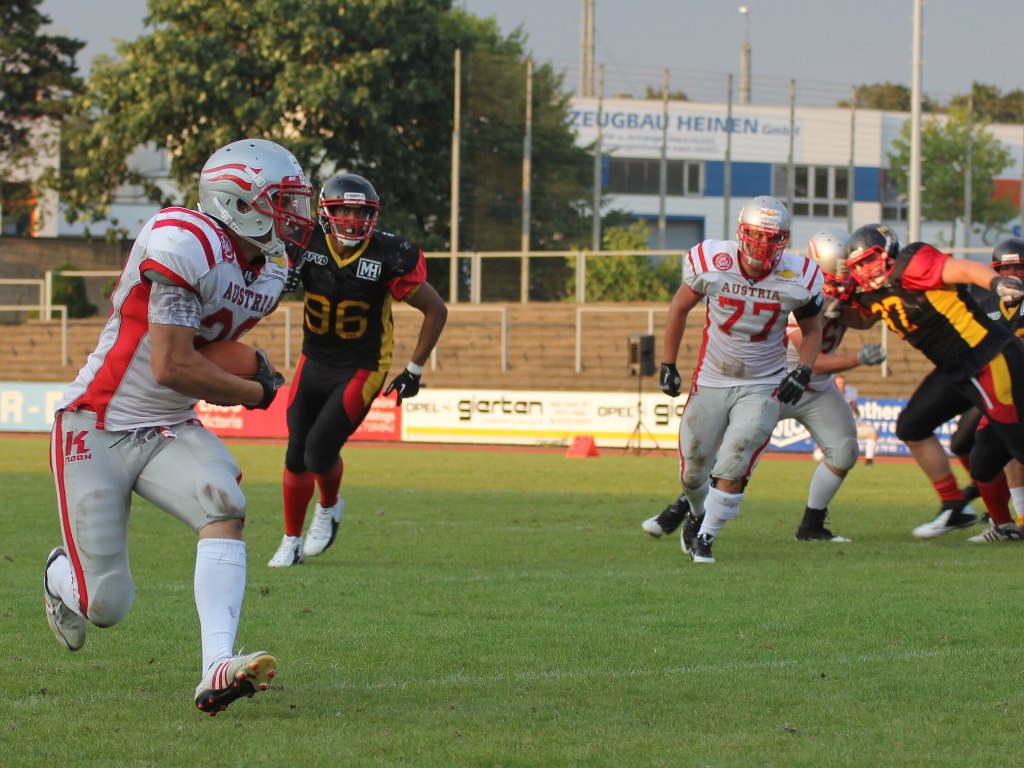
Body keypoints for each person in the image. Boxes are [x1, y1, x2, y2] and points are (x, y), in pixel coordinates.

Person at [42, 139, 317, 715]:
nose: (295, 216)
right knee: (106, 605)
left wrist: (249, 366)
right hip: (97, 423)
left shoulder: (271, 270)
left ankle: (217, 665)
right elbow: (172, 366)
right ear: (237, 201)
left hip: (168, 425)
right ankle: (59, 574)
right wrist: (256, 390)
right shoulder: (186, 240)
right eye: (283, 201)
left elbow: (208, 348)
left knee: (224, 499)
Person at [643, 227, 882, 545]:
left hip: (817, 389)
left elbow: (861, 319)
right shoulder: (794, 284)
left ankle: (811, 525)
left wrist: (874, 300)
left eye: (848, 272)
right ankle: (682, 511)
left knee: (845, 450)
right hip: (779, 381)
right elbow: (811, 352)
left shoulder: (831, 291)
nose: (845, 278)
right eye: (839, 272)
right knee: (729, 458)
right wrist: (857, 357)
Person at [268, 173, 447, 567]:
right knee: (296, 452)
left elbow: (436, 309)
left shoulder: (388, 254)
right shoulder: (304, 242)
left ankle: (329, 506)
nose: (352, 219)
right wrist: (277, 281)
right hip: (314, 359)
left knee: (318, 453)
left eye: (360, 212)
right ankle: (291, 540)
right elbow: (262, 295)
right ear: (326, 212)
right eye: (344, 210)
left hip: (362, 366)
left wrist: (414, 370)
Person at [655, 195, 823, 564]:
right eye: (757, 235)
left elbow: (813, 330)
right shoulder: (713, 262)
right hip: (712, 377)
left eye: (772, 237)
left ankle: (706, 538)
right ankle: (697, 515)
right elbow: (679, 308)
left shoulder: (799, 275)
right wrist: (668, 363)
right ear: (741, 232)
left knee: (736, 457)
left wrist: (804, 368)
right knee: (693, 472)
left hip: (764, 381)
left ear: (784, 239)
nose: (763, 244)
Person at [842, 224, 1024, 538]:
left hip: (988, 356)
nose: (866, 270)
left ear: (889, 252)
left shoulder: (912, 263)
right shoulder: (873, 292)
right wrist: (832, 310)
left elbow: (963, 269)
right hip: (955, 369)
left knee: (1018, 444)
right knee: (912, 426)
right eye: (859, 265)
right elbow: (862, 319)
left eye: (870, 259)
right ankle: (955, 506)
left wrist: (996, 282)